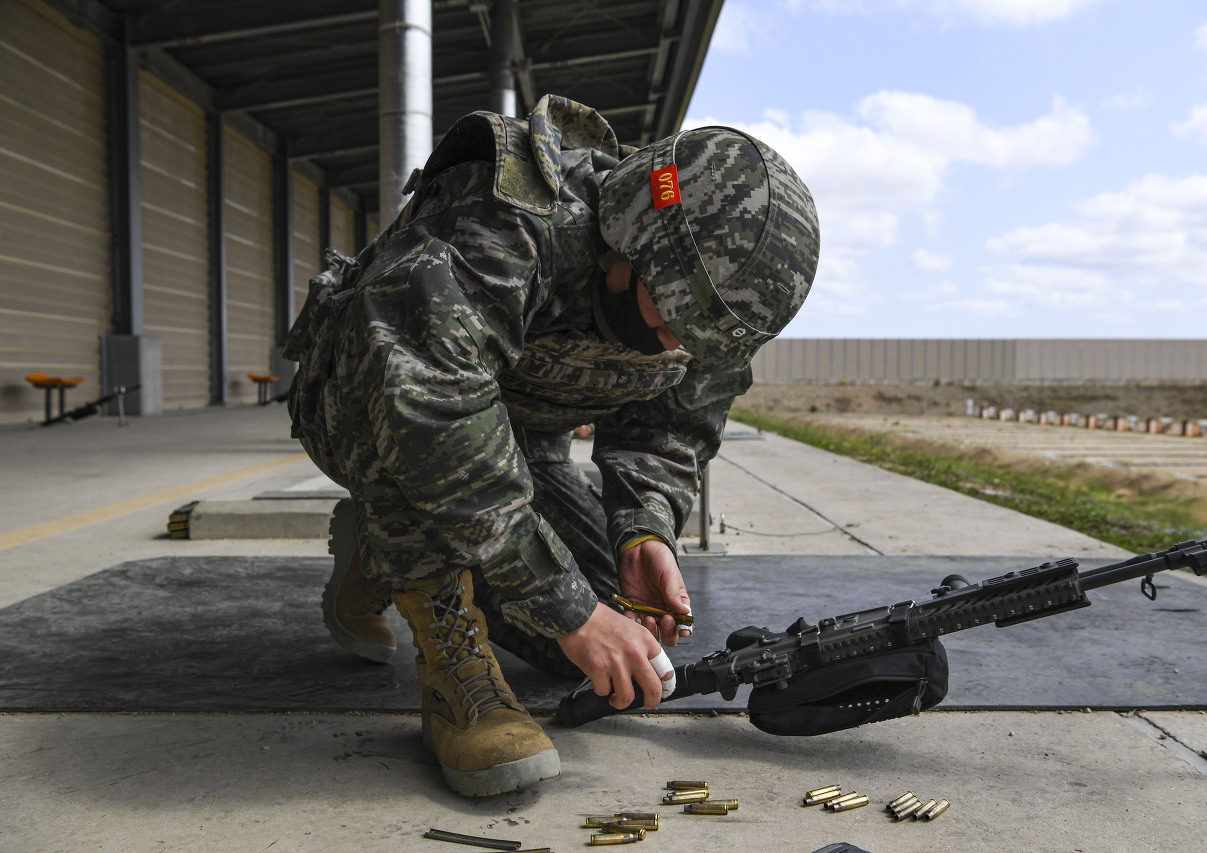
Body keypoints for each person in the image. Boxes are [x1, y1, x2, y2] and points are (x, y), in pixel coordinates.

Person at [283, 95, 820, 797]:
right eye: (678, 317)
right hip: (374, 402)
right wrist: (563, 602)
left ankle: (378, 551)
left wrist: (643, 530)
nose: (679, 344)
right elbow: (430, 405)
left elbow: (671, 427)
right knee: (559, 599)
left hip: (516, 441)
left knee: (607, 653)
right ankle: (452, 665)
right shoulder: (505, 218)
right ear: (637, 235)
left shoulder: (703, 302)